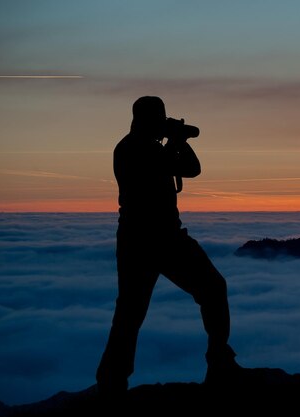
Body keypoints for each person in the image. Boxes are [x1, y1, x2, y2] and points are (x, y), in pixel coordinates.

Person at [96, 96, 240, 395]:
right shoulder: (134, 149)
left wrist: (176, 140)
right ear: (146, 120)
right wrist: (175, 140)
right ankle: (113, 381)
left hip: (150, 238)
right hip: (152, 238)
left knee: (131, 312)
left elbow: (191, 168)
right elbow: (184, 167)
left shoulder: (142, 146)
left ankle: (112, 382)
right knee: (205, 291)